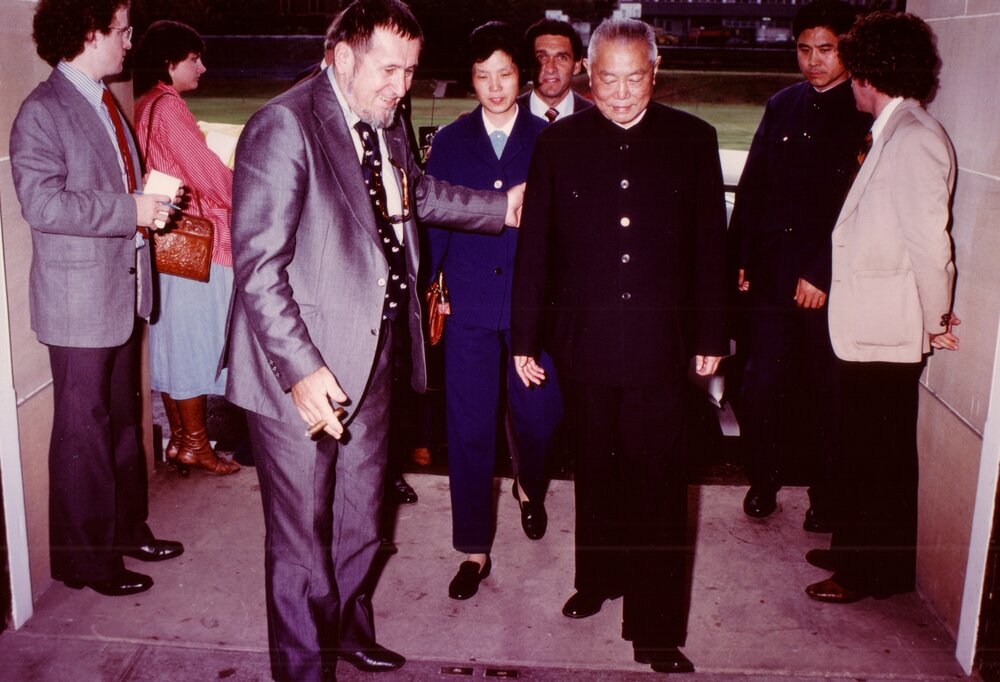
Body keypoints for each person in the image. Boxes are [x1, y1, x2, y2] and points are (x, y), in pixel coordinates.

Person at [224, 1, 521, 678]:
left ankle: (349, 626)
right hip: (300, 366)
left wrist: (501, 208)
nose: (403, 84)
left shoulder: (383, 120)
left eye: (411, 70)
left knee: (363, 518)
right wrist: (301, 370)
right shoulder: (284, 126)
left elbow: (411, 192)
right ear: (344, 55)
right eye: (392, 68)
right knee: (301, 545)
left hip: (377, 351)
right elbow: (259, 270)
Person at [511, 18, 728, 674]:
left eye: (637, 78)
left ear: (655, 74)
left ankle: (657, 629)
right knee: (598, 468)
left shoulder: (694, 139)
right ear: (588, 76)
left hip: (663, 346)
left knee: (660, 482)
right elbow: (537, 248)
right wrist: (524, 337)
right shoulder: (560, 144)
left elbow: (710, 249)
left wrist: (712, 334)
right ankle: (599, 577)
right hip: (587, 344)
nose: (625, 92)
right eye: (610, 78)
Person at [9, 0, 183, 597]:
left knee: (119, 425)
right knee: (84, 435)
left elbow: (109, 187)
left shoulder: (103, 100)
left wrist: (146, 206)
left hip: (116, 293)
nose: (129, 42)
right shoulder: (43, 110)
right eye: (122, 30)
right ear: (90, 33)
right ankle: (88, 563)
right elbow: (43, 205)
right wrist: (127, 210)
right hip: (77, 304)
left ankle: (127, 530)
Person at [804, 10, 959, 604]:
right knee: (860, 445)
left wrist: (936, 321)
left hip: (888, 330)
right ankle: (851, 548)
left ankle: (872, 573)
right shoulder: (893, 130)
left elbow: (931, 245)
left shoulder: (916, 139)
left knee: (879, 456)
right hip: (865, 326)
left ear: (869, 73)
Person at [425, 21, 563, 601]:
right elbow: (431, 216)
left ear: (521, 75)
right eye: (483, 76)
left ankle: (530, 484)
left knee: (541, 417)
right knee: (470, 429)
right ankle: (473, 549)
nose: (495, 86)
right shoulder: (452, 140)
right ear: (471, 80)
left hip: (538, 310)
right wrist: (432, 283)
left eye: (505, 74)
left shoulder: (553, 136)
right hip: (472, 305)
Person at [731, 0, 870, 528]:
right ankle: (762, 480)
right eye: (804, 49)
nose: (814, 61)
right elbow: (754, 187)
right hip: (771, 275)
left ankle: (825, 496)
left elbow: (856, 205)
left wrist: (823, 270)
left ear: (846, 50)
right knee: (758, 384)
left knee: (824, 392)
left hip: (827, 281)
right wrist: (740, 256)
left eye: (826, 49)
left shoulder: (863, 111)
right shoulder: (782, 104)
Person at [133, 20, 240, 477]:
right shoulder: (169, 108)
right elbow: (211, 178)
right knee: (194, 346)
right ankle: (195, 444)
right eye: (193, 59)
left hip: (166, 244)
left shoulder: (143, 105)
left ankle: (182, 441)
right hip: (197, 247)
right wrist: (246, 190)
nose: (202, 66)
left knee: (175, 344)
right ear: (169, 62)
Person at [517, 18, 592, 123]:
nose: (550, 69)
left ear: (576, 66)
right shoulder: (508, 114)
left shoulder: (596, 118)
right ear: (529, 63)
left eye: (561, 58)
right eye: (541, 57)